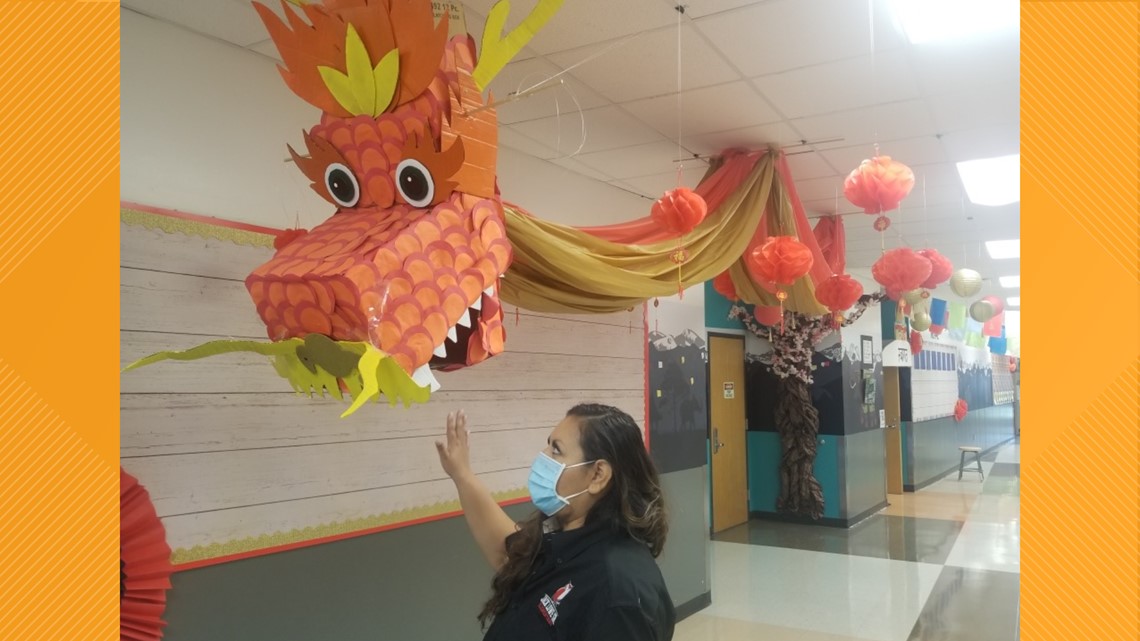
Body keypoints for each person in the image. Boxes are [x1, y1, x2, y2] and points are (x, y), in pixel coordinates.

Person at [435, 403, 675, 640]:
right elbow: (508, 555)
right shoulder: (567, 536)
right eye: (548, 445)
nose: (543, 457)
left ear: (597, 475)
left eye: (556, 451)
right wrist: (462, 474)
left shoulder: (618, 595)